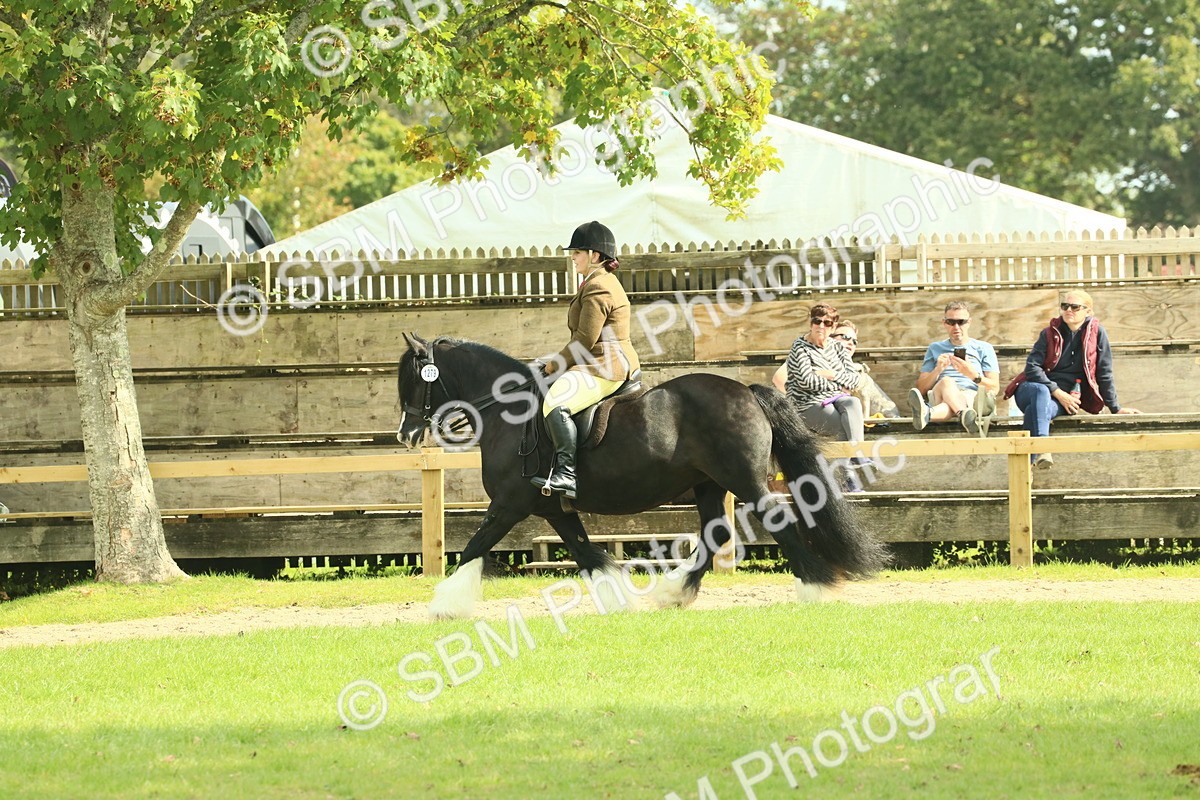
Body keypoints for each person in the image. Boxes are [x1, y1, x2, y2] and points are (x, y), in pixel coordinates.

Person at [533, 221, 640, 498]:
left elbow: (584, 340)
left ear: (594, 255)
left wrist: (554, 365)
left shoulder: (600, 286)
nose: (572, 257)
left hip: (605, 366)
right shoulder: (596, 282)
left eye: (577, 252)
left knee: (556, 403)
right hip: (595, 361)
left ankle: (567, 474)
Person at [1004, 289, 1140, 469]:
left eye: (1075, 307)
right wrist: (1057, 392)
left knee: (1035, 413)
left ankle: (1026, 465)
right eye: (1064, 306)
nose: (1069, 310)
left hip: (1069, 399)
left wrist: (1115, 408)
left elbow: (1104, 373)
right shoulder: (1049, 333)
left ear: (1088, 311)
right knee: (1041, 391)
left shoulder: (1098, 334)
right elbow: (1032, 367)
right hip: (1032, 389)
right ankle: (1043, 448)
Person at [771, 303, 868, 491]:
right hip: (806, 404)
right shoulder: (800, 347)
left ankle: (857, 456)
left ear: (833, 326)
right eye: (817, 321)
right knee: (841, 425)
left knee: (853, 402)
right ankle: (847, 476)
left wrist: (830, 375)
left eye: (826, 322)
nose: (821, 326)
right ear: (811, 323)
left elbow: (855, 381)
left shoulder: (837, 348)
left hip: (835, 398)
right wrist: (839, 383)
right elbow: (807, 382)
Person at [909, 301, 999, 436]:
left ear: (969, 322)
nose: (956, 327)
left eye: (961, 322)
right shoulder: (935, 348)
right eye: (951, 322)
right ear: (944, 323)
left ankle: (927, 414)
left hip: (971, 396)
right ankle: (964, 414)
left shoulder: (984, 348)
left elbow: (994, 388)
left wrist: (972, 375)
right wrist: (938, 369)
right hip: (940, 392)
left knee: (954, 401)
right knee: (946, 381)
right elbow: (921, 389)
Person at [831, 320, 901, 425]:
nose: (851, 342)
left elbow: (864, 398)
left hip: (884, 421)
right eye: (845, 337)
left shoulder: (857, 372)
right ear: (829, 338)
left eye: (855, 341)